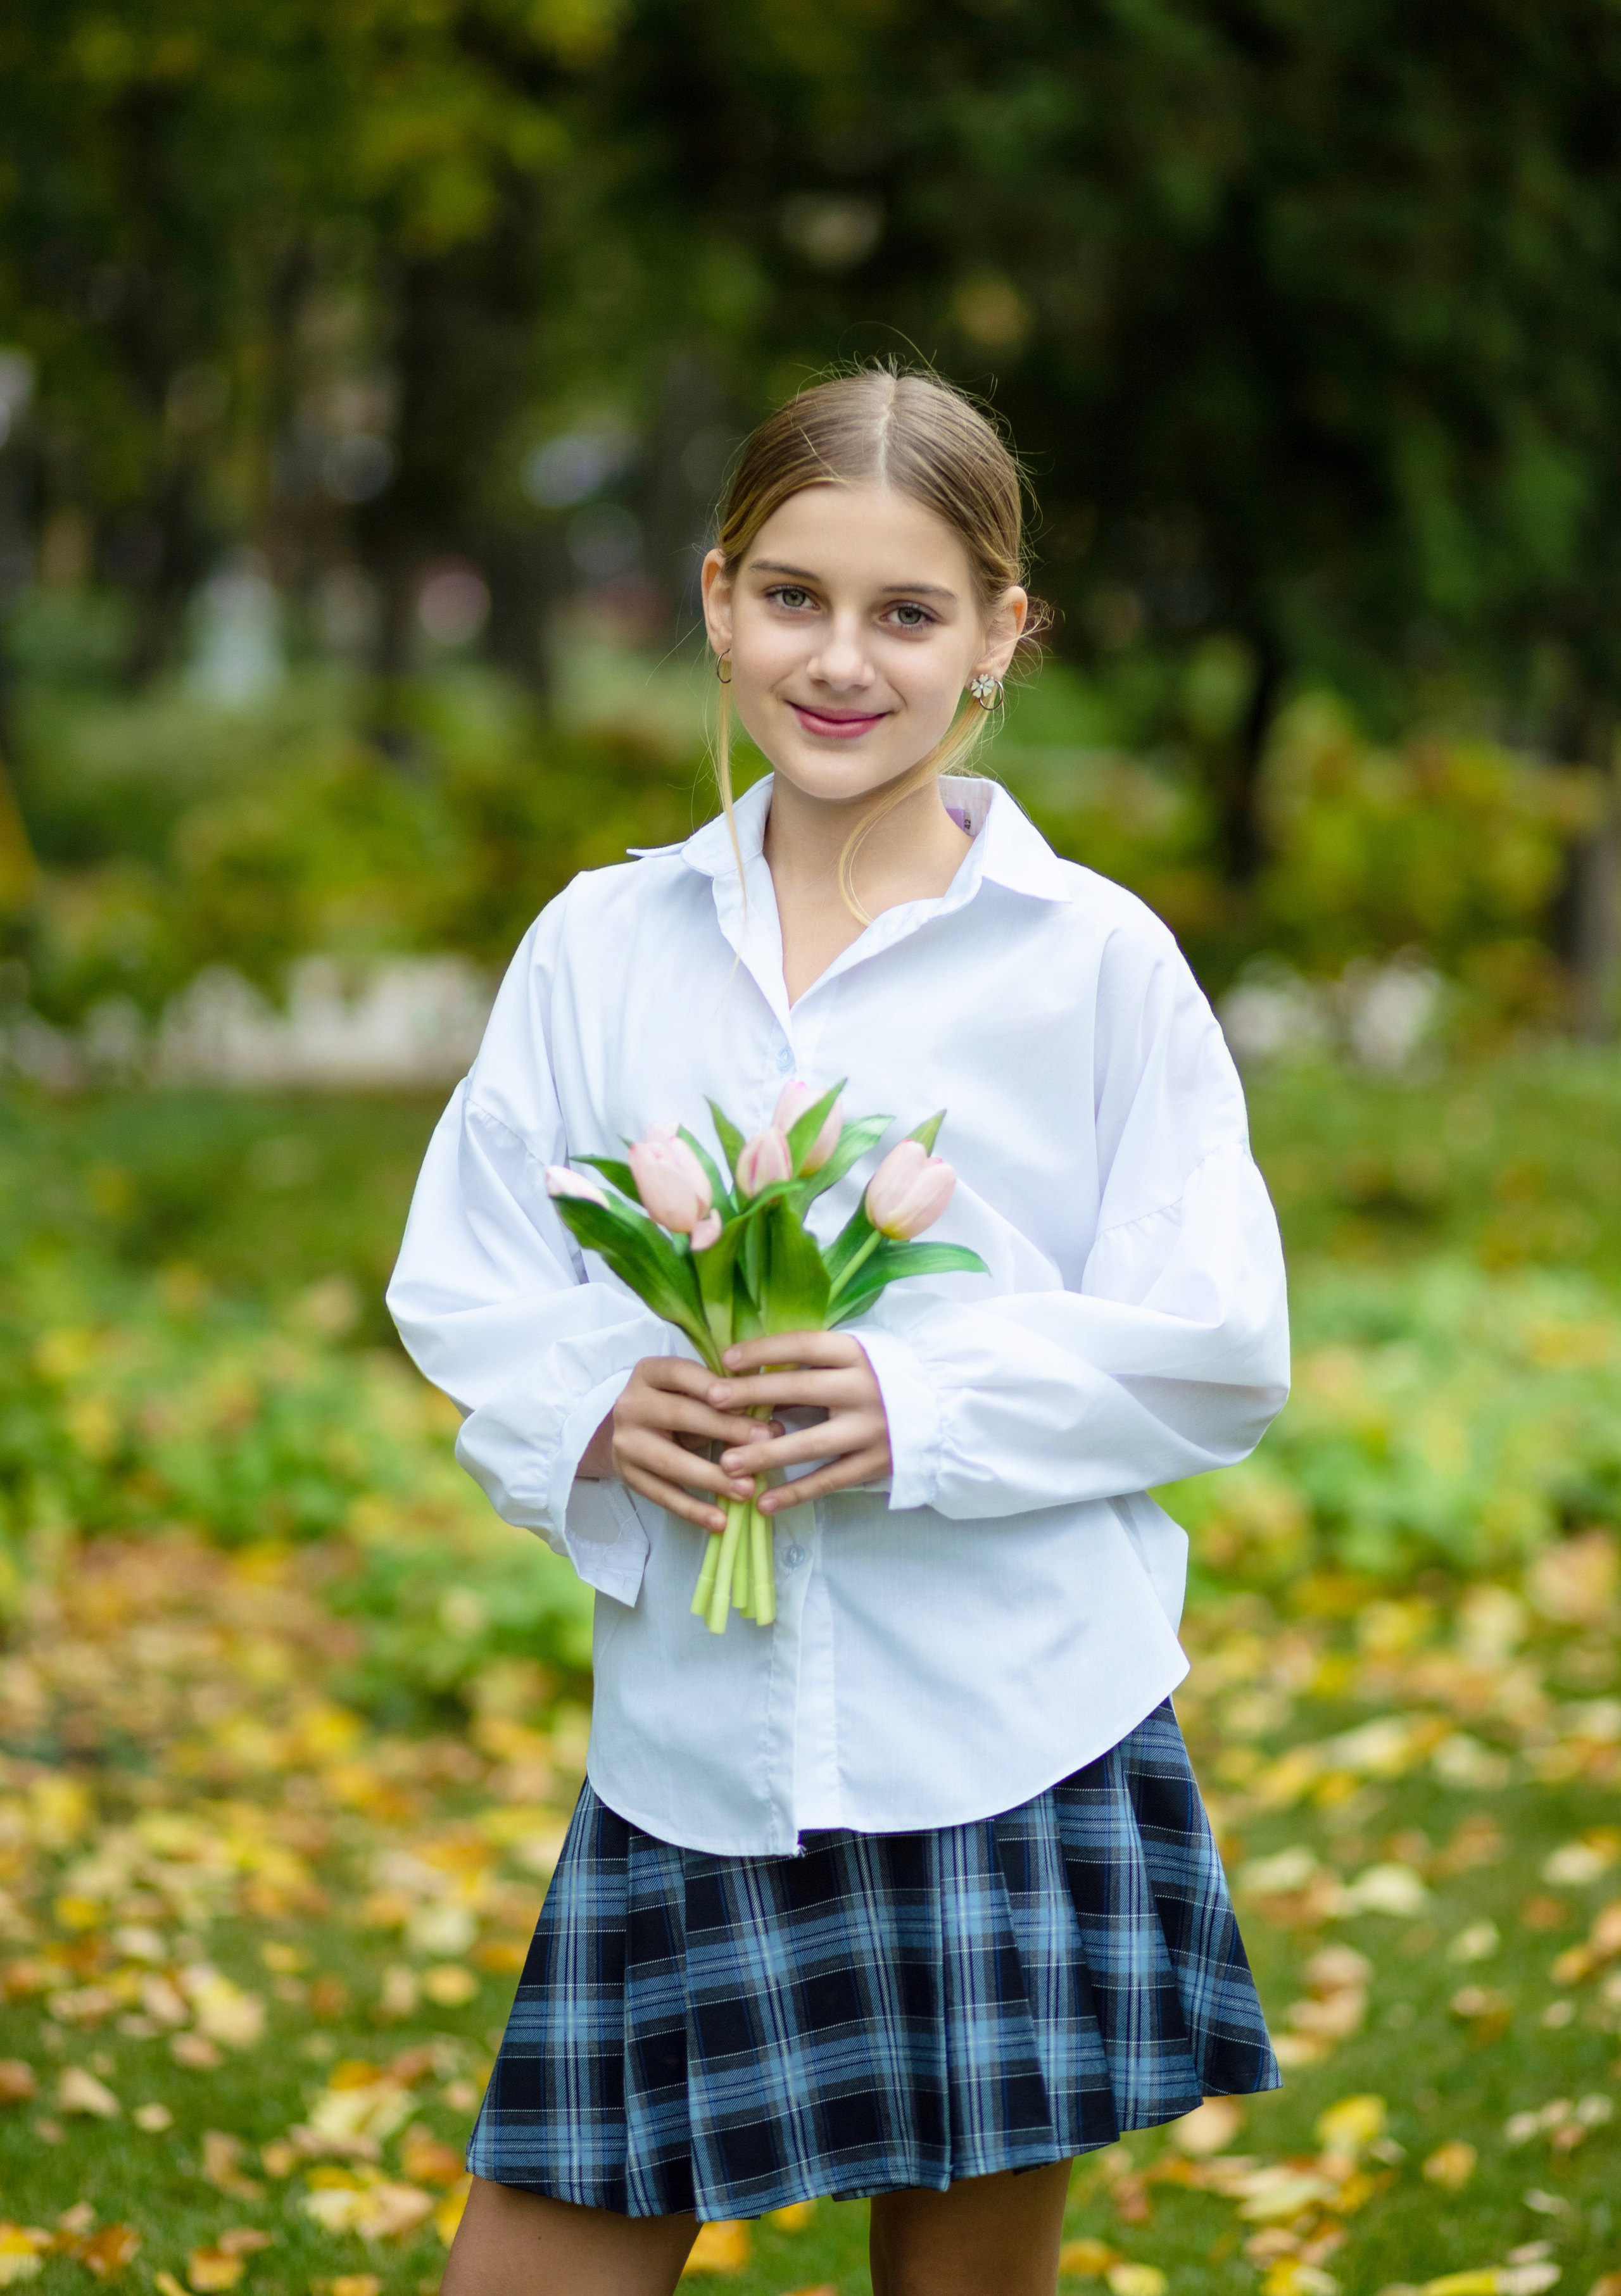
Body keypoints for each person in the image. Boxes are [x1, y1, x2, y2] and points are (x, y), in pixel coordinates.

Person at [388, 365, 1290, 2296]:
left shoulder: (1093, 962)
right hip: (695, 1751)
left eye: (908, 612)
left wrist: (918, 1395)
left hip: (1007, 1731)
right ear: (716, 601)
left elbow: (1217, 1340)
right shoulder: (600, 947)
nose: (842, 660)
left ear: (1000, 636)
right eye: (795, 597)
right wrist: (598, 1398)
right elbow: (467, 1274)